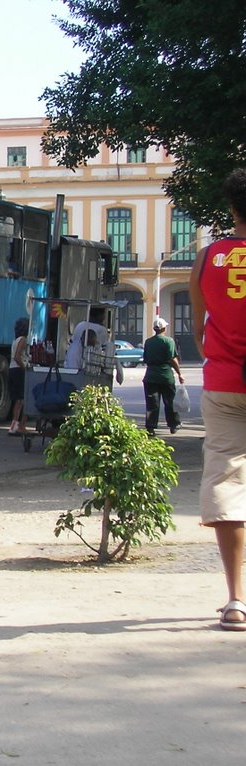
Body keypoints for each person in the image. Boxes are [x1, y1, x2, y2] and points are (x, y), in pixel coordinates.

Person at [189, 167, 246, 631]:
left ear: (231, 209)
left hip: (225, 383)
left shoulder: (208, 258)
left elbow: (198, 332)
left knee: (228, 481)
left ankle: (235, 600)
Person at [142, 316, 184, 436]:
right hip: (166, 376)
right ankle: (173, 425)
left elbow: (145, 359)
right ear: (164, 328)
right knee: (169, 402)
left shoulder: (148, 342)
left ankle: (150, 428)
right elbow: (172, 359)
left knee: (152, 403)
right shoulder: (169, 341)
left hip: (150, 376)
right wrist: (179, 373)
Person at [8, 317, 29, 436]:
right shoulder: (23, 340)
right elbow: (18, 357)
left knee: (18, 399)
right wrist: (25, 368)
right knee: (22, 399)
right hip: (18, 370)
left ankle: (14, 425)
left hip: (12, 369)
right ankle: (19, 426)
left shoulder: (15, 340)